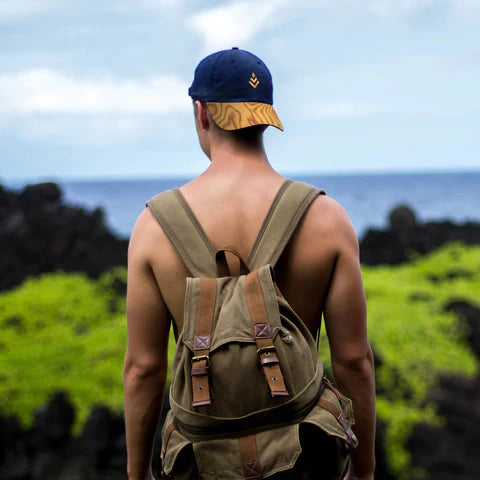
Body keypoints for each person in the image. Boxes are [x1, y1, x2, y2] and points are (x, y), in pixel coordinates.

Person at [123, 47, 376, 480]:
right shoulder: (326, 219)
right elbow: (353, 360)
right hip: (306, 455)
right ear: (265, 117)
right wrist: (365, 470)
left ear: (202, 113)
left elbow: (144, 369)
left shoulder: (154, 227)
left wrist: (137, 473)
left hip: (201, 462)